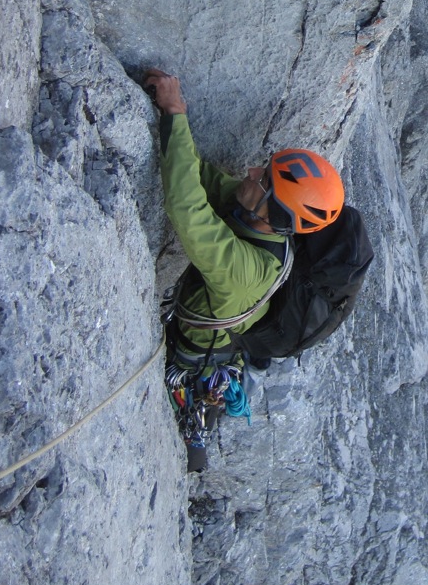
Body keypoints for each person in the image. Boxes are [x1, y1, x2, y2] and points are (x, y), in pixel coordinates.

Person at [144, 68, 345, 471]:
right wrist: (171, 123)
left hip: (196, 359)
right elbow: (199, 177)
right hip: (221, 344)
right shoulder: (257, 214)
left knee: (186, 406)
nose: (252, 171)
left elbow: (187, 208)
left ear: (273, 210)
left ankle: (196, 426)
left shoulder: (245, 272)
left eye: (262, 177)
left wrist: (174, 109)